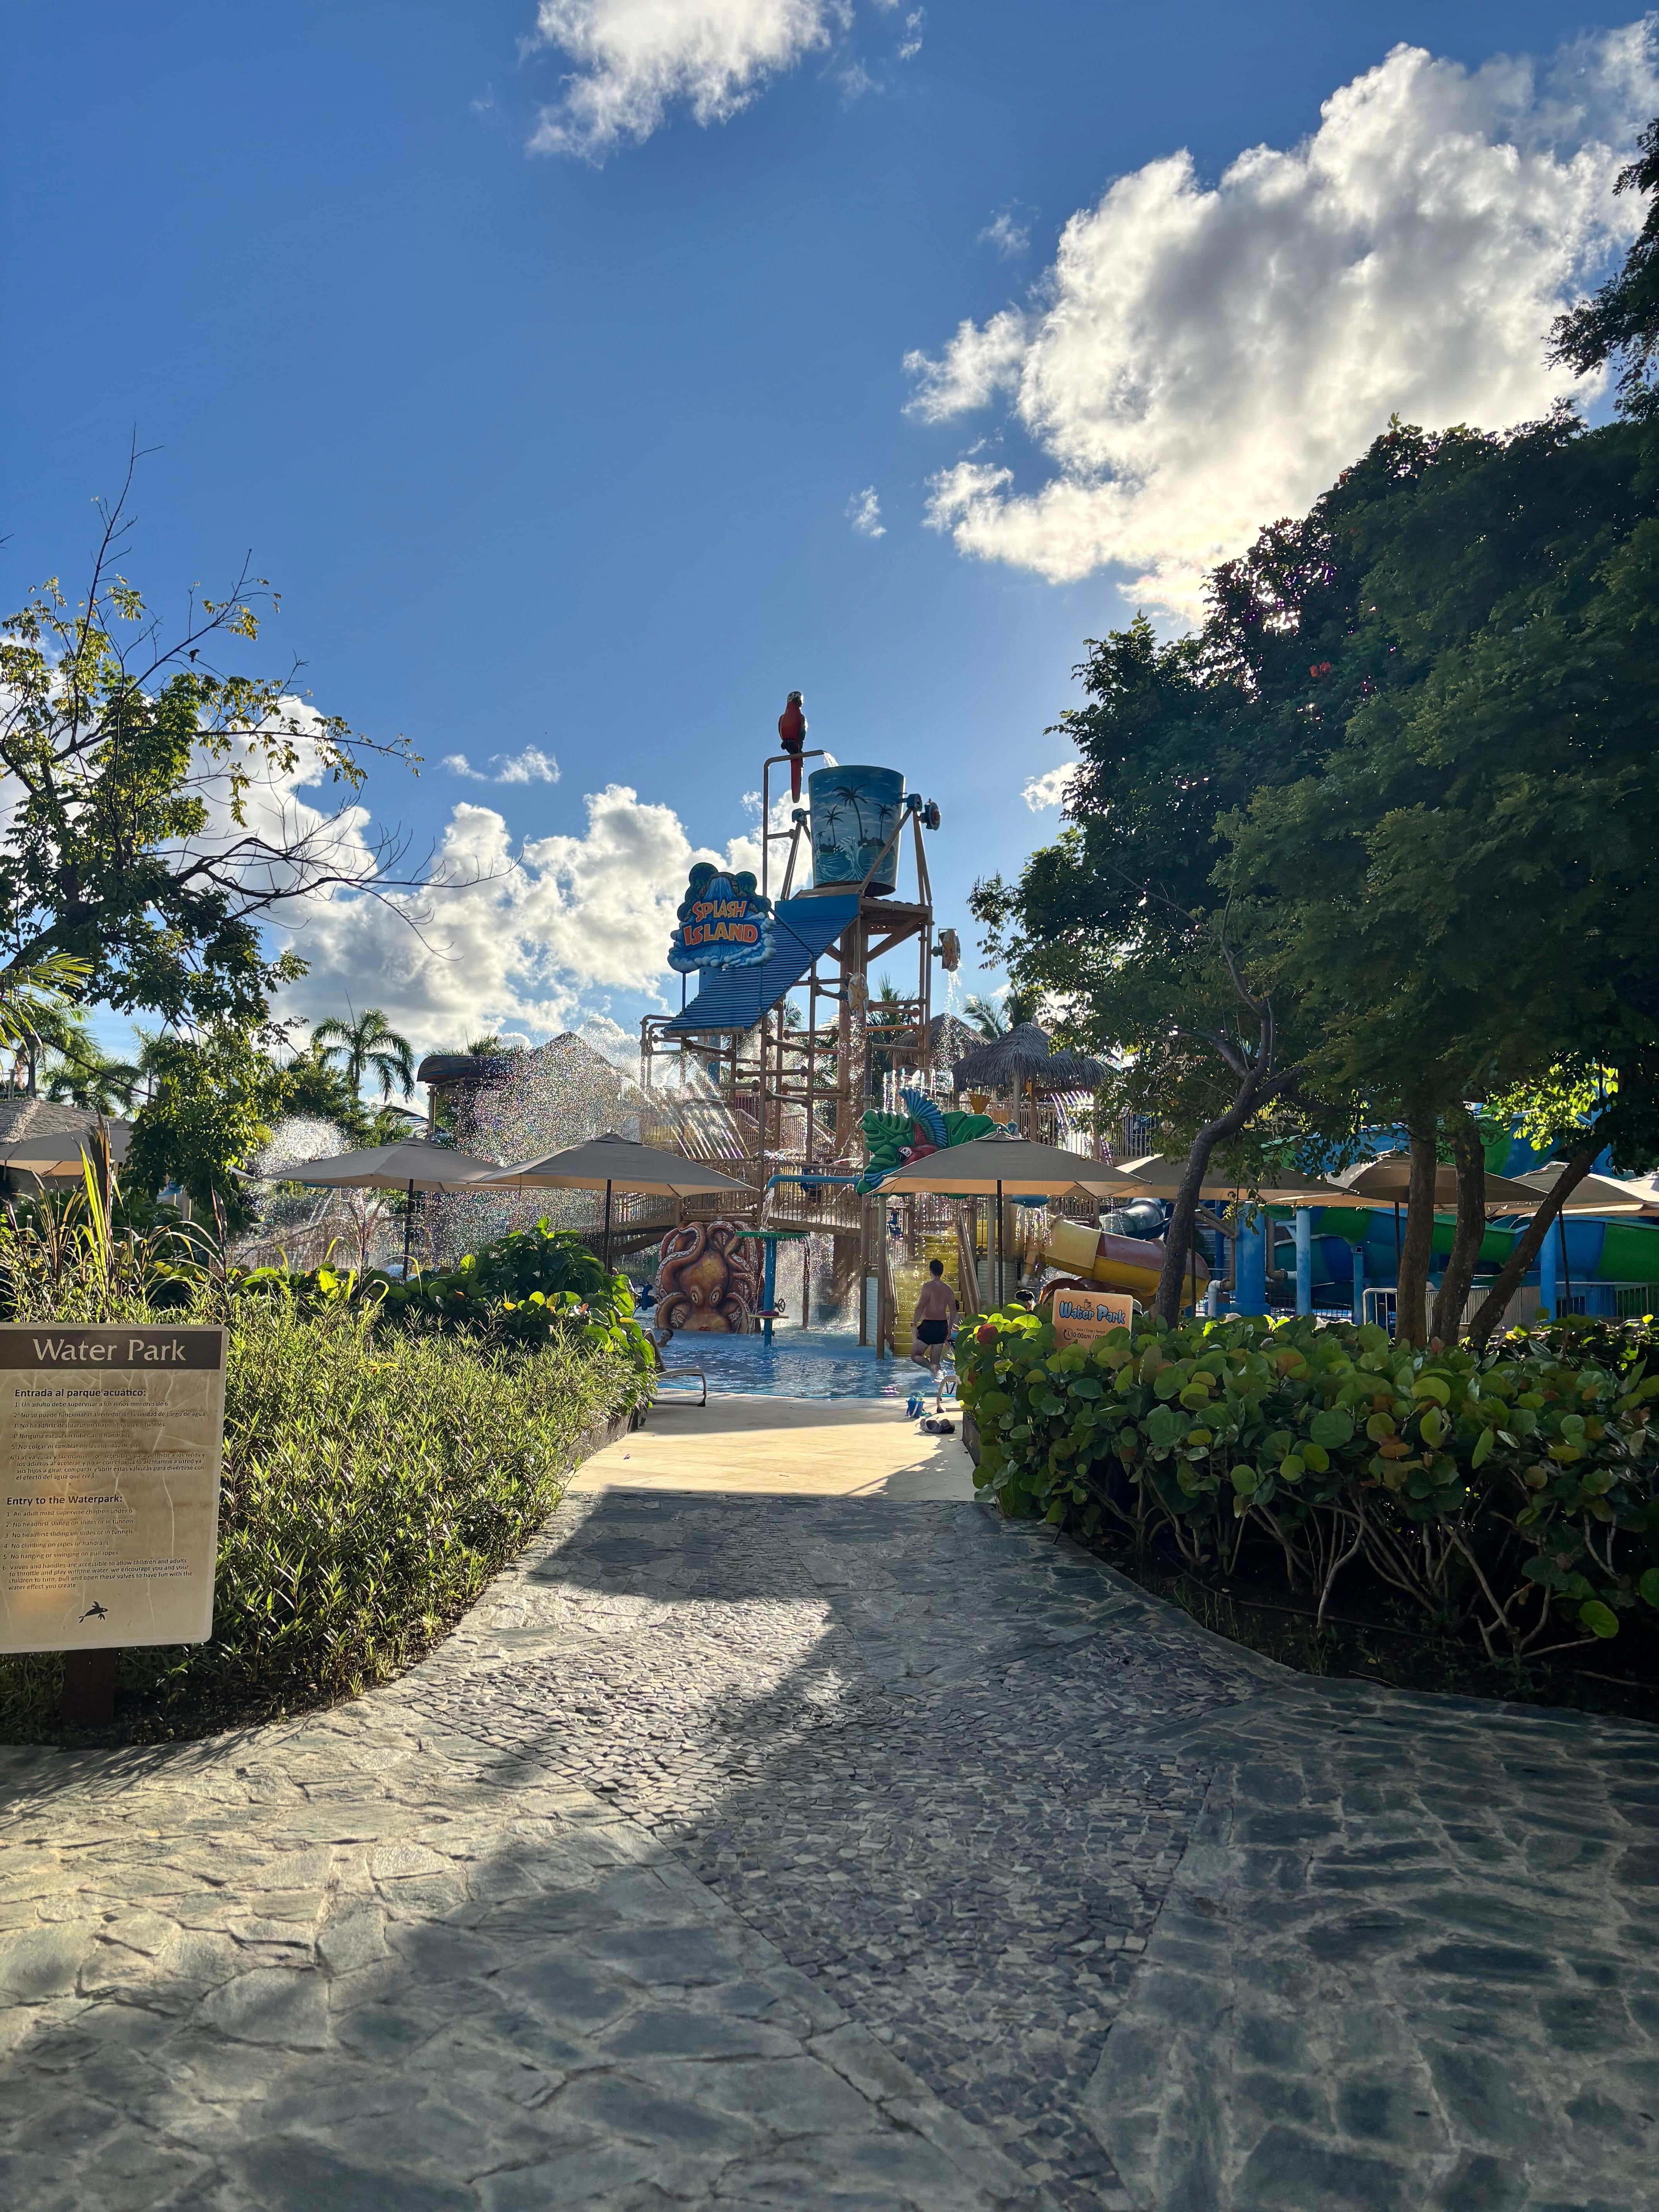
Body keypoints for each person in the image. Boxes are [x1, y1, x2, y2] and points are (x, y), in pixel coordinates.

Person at [910, 1258, 958, 1411]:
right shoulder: (949, 1289)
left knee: (916, 1355)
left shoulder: (928, 1287)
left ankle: (931, 1368)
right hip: (941, 1326)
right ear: (942, 1272)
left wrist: (914, 1322)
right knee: (936, 1363)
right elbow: (953, 1312)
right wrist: (949, 1328)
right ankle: (938, 1395)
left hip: (929, 1325)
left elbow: (921, 1306)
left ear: (931, 1271)